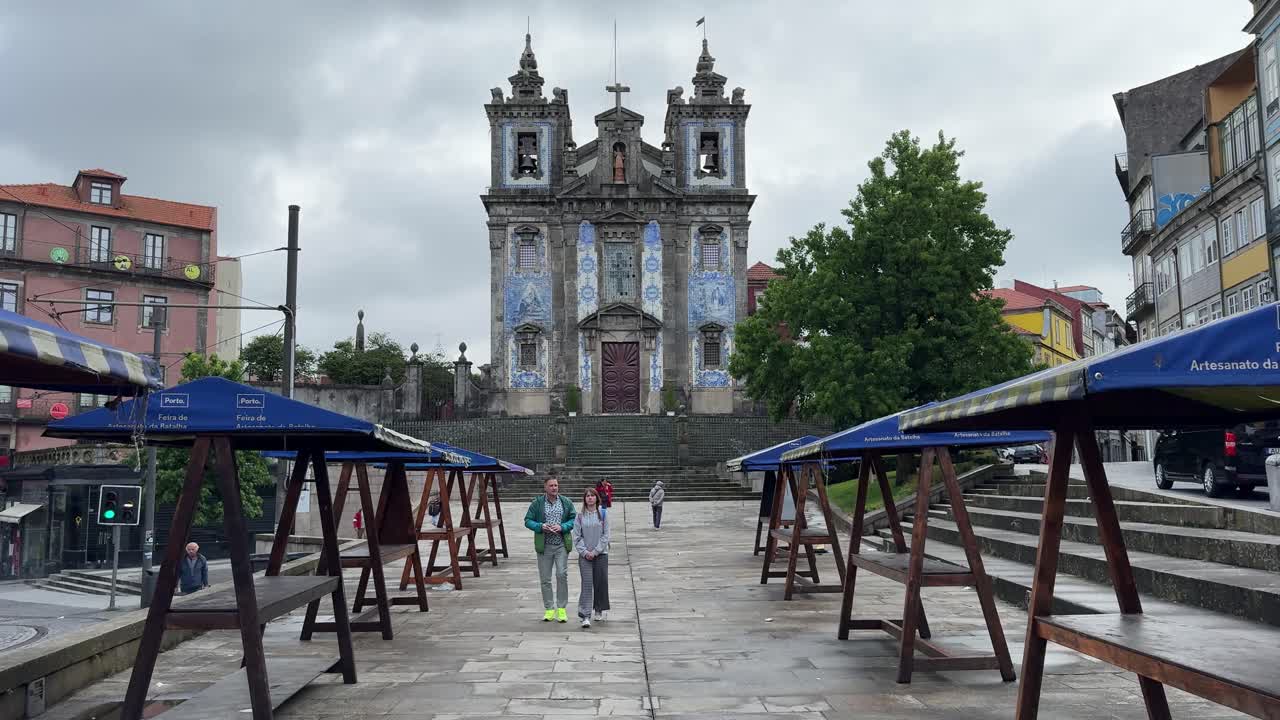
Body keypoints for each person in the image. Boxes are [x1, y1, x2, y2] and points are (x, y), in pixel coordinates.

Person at [524, 476, 576, 622]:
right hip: (544, 546)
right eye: (551, 485)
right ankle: (549, 608)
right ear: (545, 487)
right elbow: (527, 520)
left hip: (561, 545)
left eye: (556, 485)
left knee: (561, 574)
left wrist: (562, 527)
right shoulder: (537, 503)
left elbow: (573, 519)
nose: (554, 488)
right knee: (545, 578)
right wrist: (541, 526)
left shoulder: (566, 502)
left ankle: (561, 609)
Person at [571, 487, 610, 627]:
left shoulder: (603, 514)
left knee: (600, 582)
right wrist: (585, 552)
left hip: (601, 554)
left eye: (592, 495)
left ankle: (598, 609)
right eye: (587, 496)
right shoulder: (579, 516)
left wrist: (596, 551)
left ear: (596, 498)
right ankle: (585, 615)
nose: (590, 498)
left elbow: (606, 536)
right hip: (585, 556)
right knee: (587, 584)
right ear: (584, 499)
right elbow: (576, 536)